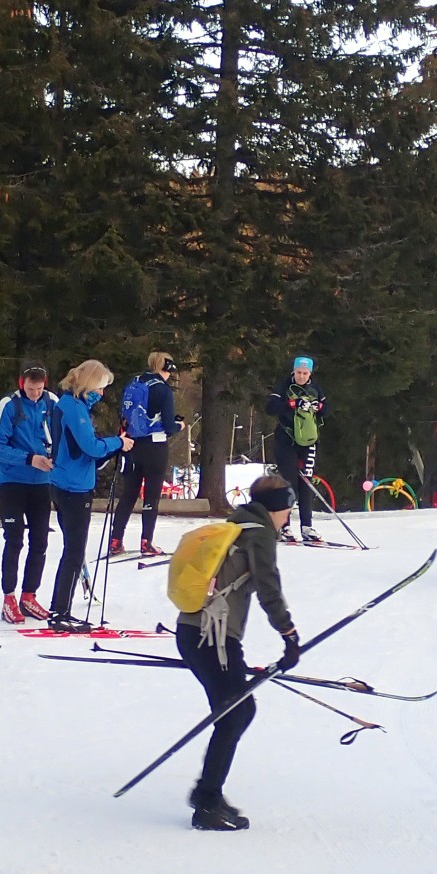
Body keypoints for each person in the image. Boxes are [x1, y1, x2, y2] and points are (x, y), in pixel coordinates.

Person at [174, 475, 301, 831]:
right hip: (211, 637)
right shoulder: (258, 533)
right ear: (276, 507)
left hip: (194, 632)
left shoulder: (235, 523)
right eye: (287, 511)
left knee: (235, 709)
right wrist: (289, 635)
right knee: (236, 711)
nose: (288, 518)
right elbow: (268, 587)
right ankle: (207, 800)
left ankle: (208, 795)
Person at [47, 360, 133, 631]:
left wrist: (109, 447)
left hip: (66, 481)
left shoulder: (73, 405)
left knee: (72, 550)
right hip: (73, 487)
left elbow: (84, 448)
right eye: (100, 386)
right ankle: (60, 611)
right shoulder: (74, 407)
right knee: (74, 550)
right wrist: (118, 442)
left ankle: (59, 608)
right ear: (88, 383)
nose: (102, 393)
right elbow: (90, 446)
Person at [0, 364, 56, 624]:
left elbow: (61, 435)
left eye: (39, 389)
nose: (35, 394)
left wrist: (54, 457)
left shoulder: (52, 403)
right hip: (13, 481)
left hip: (42, 482)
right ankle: (9, 596)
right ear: (21, 383)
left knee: (40, 540)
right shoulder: (8, 405)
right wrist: (29, 459)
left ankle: (30, 594)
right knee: (14, 539)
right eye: (31, 389)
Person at [110, 352, 177, 555]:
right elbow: (169, 425)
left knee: (129, 494)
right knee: (151, 495)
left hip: (132, 444)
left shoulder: (135, 382)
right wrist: (180, 425)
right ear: (167, 368)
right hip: (155, 446)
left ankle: (115, 539)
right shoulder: (162, 389)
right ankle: (146, 541)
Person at [266, 355, 327, 544]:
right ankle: (284, 526)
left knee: (306, 482)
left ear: (310, 373)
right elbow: (270, 407)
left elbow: (327, 410)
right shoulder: (284, 385)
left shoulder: (315, 387)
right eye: (298, 372)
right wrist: (291, 404)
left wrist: (319, 407)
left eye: (305, 373)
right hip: (286, 440)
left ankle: (307, 526)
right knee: (289, 482)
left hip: (309, 441)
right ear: (293, 371)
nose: (301, 376)